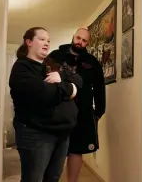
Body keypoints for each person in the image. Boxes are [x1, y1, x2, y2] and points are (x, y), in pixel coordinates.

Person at [9, 27, 82, 182]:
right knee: (34, 179)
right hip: (36, 133)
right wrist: (70, 89)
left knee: (53, 179)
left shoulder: (51, 66)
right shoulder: (22, 68)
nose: (46, 43)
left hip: (62, 133)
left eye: (48, 40)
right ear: (28, 42)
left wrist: (62, 76)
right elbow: (44, 94)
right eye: (41, 39)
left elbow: (78, 80)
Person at [47, 28, 106, 182]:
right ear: (73, 37)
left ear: (88, 42)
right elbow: (44, 78)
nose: (80, 42)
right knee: (52, 148)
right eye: (78, 38)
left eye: (84, 40)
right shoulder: (55, 56)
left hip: (82, 112)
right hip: (57, 109)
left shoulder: (92, 62)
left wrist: (99, 111)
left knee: (76, 150)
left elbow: (99, 88)